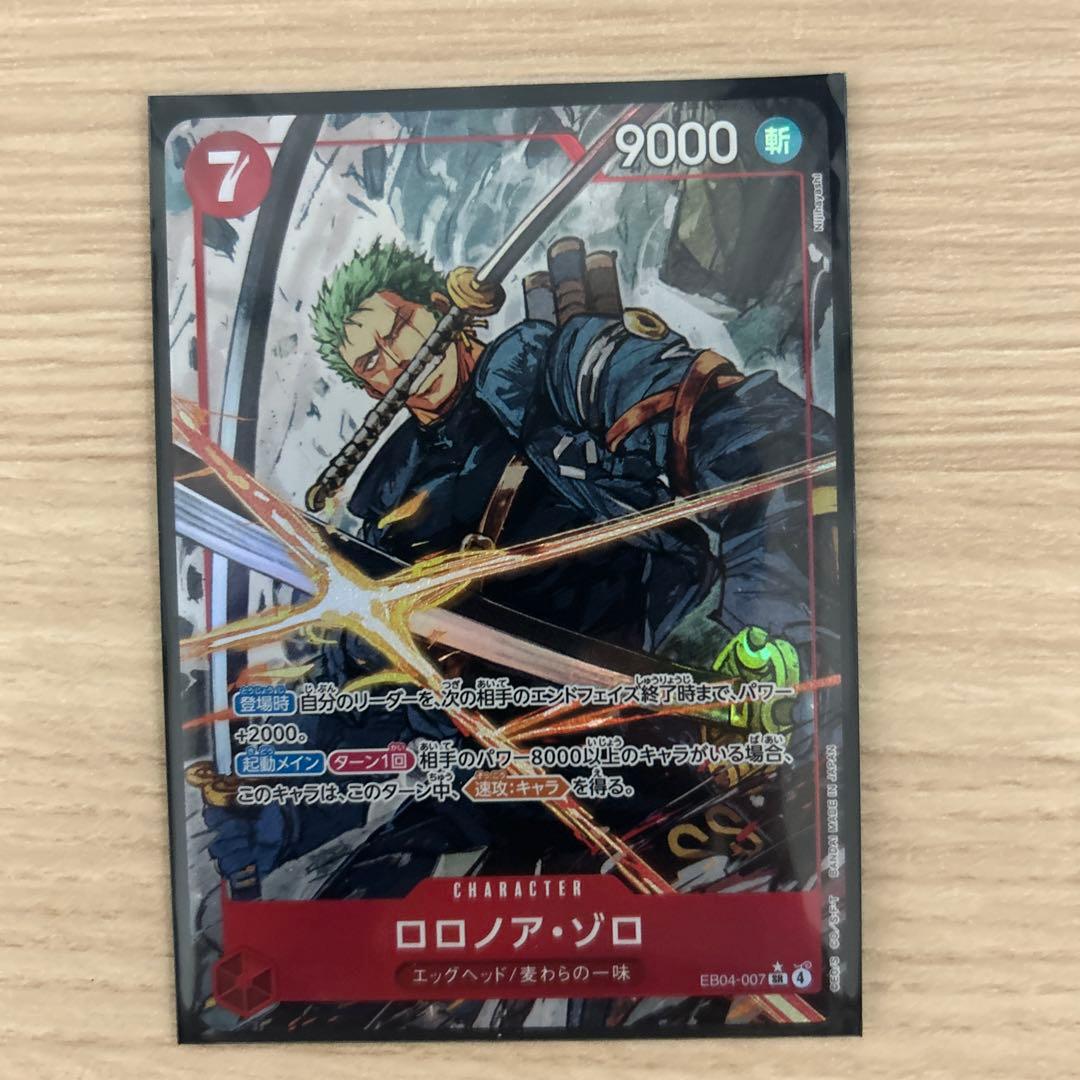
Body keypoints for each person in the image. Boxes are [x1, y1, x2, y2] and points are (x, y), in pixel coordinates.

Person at [205, 238, 835, 898]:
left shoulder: (554, 368)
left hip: (654, 726)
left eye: (400, 326)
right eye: (373, 360)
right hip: (499, 775)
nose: (398, 360)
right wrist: (277, 808)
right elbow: (366, 690)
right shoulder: (387, 504)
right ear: (367, 386)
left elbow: (752, 442)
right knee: (351, 914)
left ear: (441, 306)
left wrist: (782, 631)